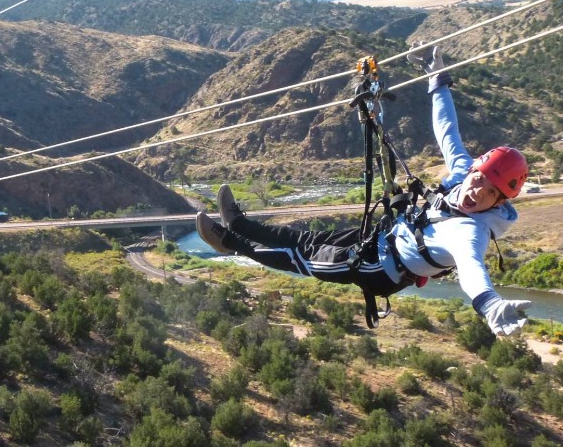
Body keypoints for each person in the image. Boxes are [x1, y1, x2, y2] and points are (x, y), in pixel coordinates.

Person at [196, 45, 530, 336]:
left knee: (301, 258)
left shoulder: (470, 231)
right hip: (380, 237)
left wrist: (489, 304)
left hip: (377, 268)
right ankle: (240, 225)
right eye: (478, 181)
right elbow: (447, 129)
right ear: (474, 170)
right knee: (305, 239)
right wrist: (437, 78)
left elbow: (472, 269)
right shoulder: (462, 171)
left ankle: (232, 244)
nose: (476, 193)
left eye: (488, 194)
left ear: (498, 201)